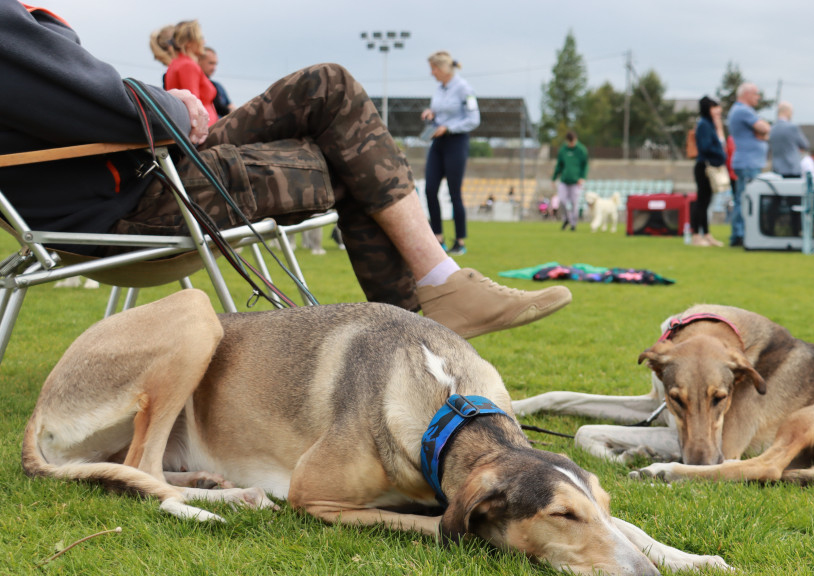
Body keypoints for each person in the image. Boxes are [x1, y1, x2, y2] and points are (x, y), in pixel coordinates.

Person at [0, 2, 571, 340]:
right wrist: (177, 104)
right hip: (141, 198)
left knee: (328, 86)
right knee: (346, 149)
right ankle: (427, 307)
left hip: (142, 173)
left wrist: (169, 107)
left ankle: (431, 299)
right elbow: (109, 105)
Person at [420, 51, 479, 256]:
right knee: (430, 189)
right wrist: (431, 113)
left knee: (455, 192)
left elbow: (474, 119)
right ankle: (438, 238)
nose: (432, 73)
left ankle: (460, 241)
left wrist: (449, 127)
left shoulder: (464, 89)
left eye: (433, 69)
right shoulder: (439, 89)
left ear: (443, 68)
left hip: (456, 141)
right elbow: (441, 111)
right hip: (438, 142)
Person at [725, 82, 771, 246]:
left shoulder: (742, 111)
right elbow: (764, 128)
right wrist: (762, 130)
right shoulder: (743, 110)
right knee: (746, 200)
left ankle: (740, 233)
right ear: (747, 94)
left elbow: (764, 132)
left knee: (742, 199)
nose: (758, 97)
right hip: (748, 163)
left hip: (748, 162)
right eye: (756, 94)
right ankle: (740, 234)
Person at [163, 20, 219, 125]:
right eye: (201, 38)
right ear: (189, 43)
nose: (204, 41)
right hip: (204, 131)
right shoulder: (188, 65)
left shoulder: (175, 63)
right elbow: (193, 105)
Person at [692, 96, 726, 247]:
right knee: (702, 202)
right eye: (714, 107)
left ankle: (706, 234)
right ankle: (696, 235)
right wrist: (719, 152)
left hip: (709, 165)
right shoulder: (704, 125)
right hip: (705, 167)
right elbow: (705, 147)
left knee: (706, 202)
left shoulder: (710, 124)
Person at [551, 130, 588, 232]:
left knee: (574, 204)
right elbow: (559, 165)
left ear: (575, 140)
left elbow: (585, 165)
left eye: (572, 141)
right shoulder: (563, 150)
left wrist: (582, 177)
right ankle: (566, 219)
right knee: (562, 201)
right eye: (569, 142)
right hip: (564, 181)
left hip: (576, 182)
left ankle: (573, 224)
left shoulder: (581, 150)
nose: (571, 144)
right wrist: (554, 178)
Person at [768, 101, 809, 178]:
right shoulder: (792, 127)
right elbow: (805, 144)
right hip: (792, 168)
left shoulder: (772, 128)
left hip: (776, 169)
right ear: (786, 111)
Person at [199, 46, 234, 118]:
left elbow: (232, 108)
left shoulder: (218, 86)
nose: (214, 68)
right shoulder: (195, 85)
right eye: (210, 63)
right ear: (199, 61)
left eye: (215, 64)